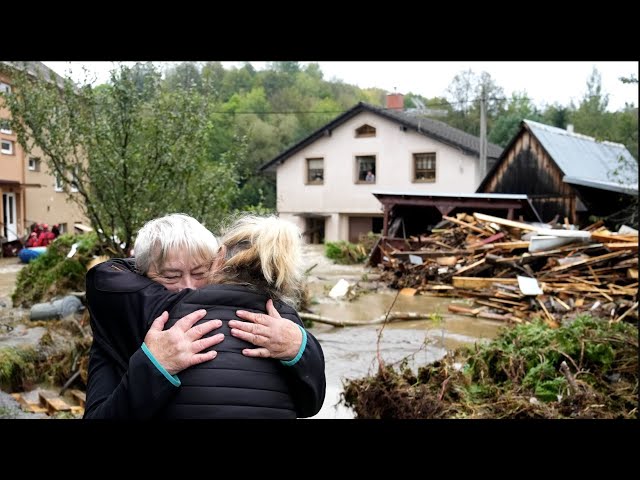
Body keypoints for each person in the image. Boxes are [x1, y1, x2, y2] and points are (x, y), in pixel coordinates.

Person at [84, 213, 325, 419]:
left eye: (200, 272)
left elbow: (308, 403)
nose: (187, 287)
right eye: (170, 276)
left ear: (217, 263)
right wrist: (154, 366)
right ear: (139, 275)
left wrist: (300, 347)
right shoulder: (124, 317)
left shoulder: (281, 327)